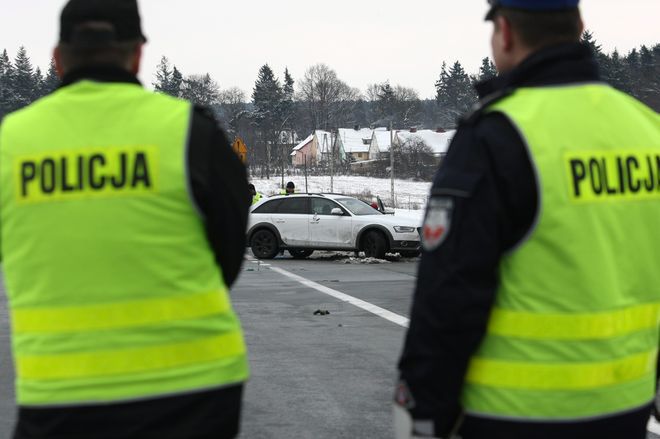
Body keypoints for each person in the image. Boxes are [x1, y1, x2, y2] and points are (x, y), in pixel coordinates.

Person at [395, 1, 660, 438]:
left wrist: (421, 411)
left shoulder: (496, 135)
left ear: (506, 33)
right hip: (627, 408)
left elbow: (449, 298)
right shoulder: (646, 129)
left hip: (516, 415)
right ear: (579, 26)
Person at [0, 1, 250, 438]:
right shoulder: (192, 133)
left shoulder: (10, 145)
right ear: (137, 54)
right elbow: (228, 255)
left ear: (58, 58)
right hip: (196, 391)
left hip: (60, 395)